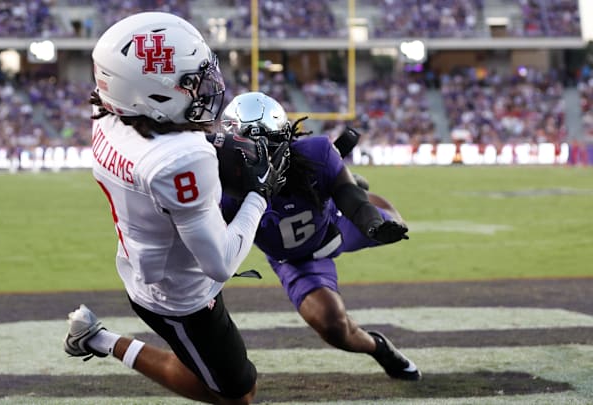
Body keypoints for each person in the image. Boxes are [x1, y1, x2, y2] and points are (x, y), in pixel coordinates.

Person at [63, 13, 287, 404]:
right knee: (237, 396)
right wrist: (260, 194)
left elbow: (164, 140)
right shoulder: (182, 158)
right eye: (191, 82)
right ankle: (99, 340)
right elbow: (220, 263)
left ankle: (97, 337)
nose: (204, 89)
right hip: (180, 294)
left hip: (151, 260)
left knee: (227, 380)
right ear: (151, 94)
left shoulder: (110, 116)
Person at [218, 92, 422, 381]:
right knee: (334, 327)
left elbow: (351, 200)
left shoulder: (315, 154)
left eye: (265, 150)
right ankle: (380, 348)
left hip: (336, 227)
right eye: (246, 152)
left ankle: (349, 179)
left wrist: (371, 223)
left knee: (395, 223)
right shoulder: (222, 187)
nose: (256, 162)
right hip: (294, 259)